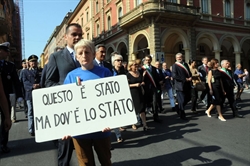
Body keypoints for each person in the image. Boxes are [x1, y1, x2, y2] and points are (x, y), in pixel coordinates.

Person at [63, 39, 112, 166]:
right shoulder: (70, 76)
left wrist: (112, 121)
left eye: (87, 52)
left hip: (102, 129)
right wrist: (65, 128)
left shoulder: (105, 73)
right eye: (80, 53)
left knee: (106, 161)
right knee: (85, 163)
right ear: (76, 56)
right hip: (80, 132)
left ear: (93, 53)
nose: (84, 55)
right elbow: (65, 105)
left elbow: (112, 99)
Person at [45, 23, 82, 166]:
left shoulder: (86, 55)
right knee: (65, 148)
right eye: (74, 34)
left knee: (84, 149)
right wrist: (69, 87)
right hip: (65, 110)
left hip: (85, 109)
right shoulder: (56, 57)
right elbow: (48, 83)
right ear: (66, 37)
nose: (78, 37)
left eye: (80, 34)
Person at [0, 42, 23, 153]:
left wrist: (19, 95)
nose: (8, 53)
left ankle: (3, 143)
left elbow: (16, 82)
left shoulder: (10, 66)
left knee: (6, 119)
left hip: (6, 97)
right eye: (6, 51)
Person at [22, 55, 42, 136]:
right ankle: (31, 129)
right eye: (32, 61)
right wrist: (32, 86)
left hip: (39, 94)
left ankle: (40, 127)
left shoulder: (42, 71)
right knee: (30, 112)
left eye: (35, 61)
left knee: (39, 112)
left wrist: (39, 85)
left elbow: (44, 80)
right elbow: (25, 82)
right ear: (29, 63)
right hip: (29, 94)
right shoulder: (25, 72)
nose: (33, 63)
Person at [127, 60, 148, 131]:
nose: (136, 66)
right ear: (130, 66)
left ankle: (145, 124)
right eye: (134, 65)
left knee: (142, 109)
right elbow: (126, 85)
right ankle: (133, 123)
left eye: (136, 64)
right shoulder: (128, 74)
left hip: (140, 92)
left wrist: (142, 82)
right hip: (133, 93)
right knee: (134, 109)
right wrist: (135, 85)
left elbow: (141, 80)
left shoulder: (139, 72)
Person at [172, 53, 192, 120]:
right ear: (176, 58)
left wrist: (190, 77)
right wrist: (185, 79)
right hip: (180, 85)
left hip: (187, 84)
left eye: (180, 57)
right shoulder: (175, 65)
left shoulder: (185, 64)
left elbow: (189, 72)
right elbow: (174, 76)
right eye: (177, 57)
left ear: (182, 57)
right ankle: (182, 114)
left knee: (188, 98)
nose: (179, 58)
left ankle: (178, 107)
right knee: (181, 100)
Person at [141, 55, 162, 123]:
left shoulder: (154, 68)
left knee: (155, 102)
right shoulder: (142, 68)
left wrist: (159, 83)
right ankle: (144, 118)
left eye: (149, 60)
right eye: (146, 60)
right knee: (145, 103)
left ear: (151, 60)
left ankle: (155, 116)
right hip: (145, 89)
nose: (148, 61)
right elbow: (140, 79)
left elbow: (156, 78)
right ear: (145, 61)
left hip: (153, 88)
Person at [111, 54, 124, 142]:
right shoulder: (110, 71)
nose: (120, 62)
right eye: (118, 60)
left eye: (121, 60)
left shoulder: (123, 70)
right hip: (111, 96)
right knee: (113, 116)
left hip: (121, 95)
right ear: (113, 62)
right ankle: (118, 135)